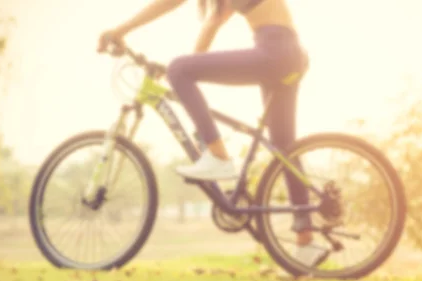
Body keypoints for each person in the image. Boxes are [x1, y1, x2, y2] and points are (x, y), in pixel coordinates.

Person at [97, 0, 328, 266]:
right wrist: (191, 67)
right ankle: (306, 243)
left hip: (275, 51)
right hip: (289, 53)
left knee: (179, 68)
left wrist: (121, 30)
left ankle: (217, 156)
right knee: (284, 149)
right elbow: (213, 23)